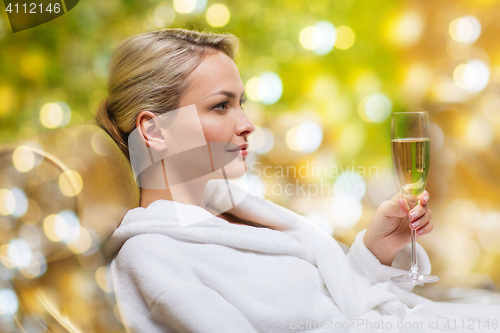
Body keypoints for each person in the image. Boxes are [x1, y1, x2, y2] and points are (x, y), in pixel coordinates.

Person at [97, 28, 500, 332]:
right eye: (220, 106)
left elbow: (329, 301)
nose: (246, 124)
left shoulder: (234, 210)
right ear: (154, 130)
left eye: (241, 103)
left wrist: (374, 251)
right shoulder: (151, 256)